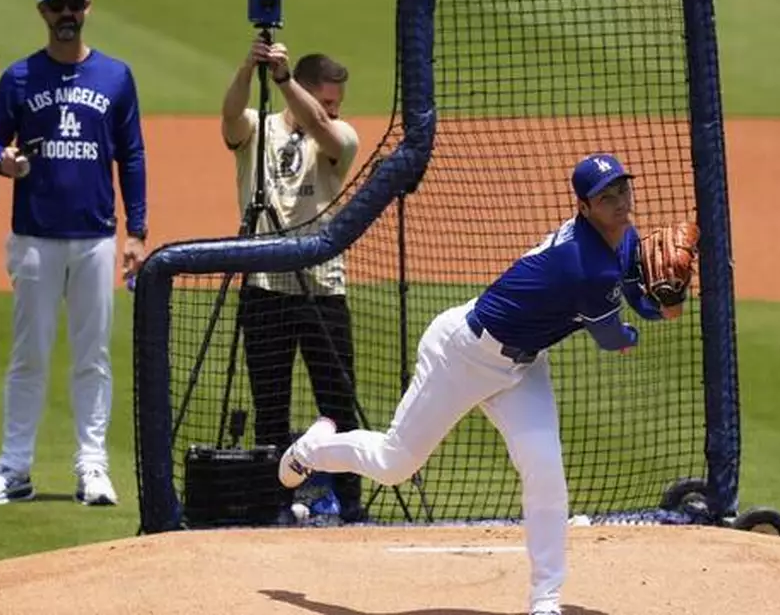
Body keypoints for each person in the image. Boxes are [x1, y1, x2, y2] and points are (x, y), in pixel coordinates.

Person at [277, 153, 689, 615]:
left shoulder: (621, 236)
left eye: (622, 190)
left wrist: (662, 305)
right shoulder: (585, 266)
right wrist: (648, 322)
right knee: (395, 463)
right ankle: (313, 449)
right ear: (584, 206)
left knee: (545, 471)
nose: (620, 203)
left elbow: (632, 287)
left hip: (522, 368)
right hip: (462, 356)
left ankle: (545, 599)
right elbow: (613, 338)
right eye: (606, 197)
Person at [0, 0, 148, 507]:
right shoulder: (20, 77)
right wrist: (3, 162)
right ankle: (14, 468)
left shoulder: (116, 76)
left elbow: (132, 155)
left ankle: (92, 466)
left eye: (73, 4)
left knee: (92, 357)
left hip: (95, 235)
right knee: (29, 355)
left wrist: (137, 230)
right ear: (42, 11)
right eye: (56, 5)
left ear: (87, 7)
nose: (66, 13)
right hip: (34, 236)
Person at [220, 35, 364, 523]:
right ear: (303, 90)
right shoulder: (257, 128)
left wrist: (283, 81)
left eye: (336, 104)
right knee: (270, 406)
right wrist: (250, 67)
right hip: (264, 287)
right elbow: (230, 115)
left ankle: (350, 502)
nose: (332, 111)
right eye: (326, 100)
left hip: (323, 288)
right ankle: (272, 504)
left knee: (338, 401)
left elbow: (323, 128)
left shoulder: (340, 137)